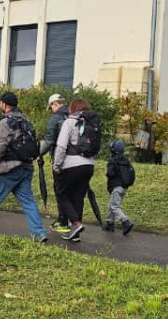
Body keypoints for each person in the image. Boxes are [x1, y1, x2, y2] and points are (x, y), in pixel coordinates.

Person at [0, 92, 48, 242]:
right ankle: (39, 233)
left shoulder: (5, 122)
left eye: (0, 103)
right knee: (28, 202)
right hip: (26, 167)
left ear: (5, 105)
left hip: (8, 168)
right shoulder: (26, 121)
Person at [53, 99, 96, 242]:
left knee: (62, 193)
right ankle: (75, 234)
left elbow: (61, 146)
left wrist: (57, 165)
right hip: (89, 165)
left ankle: (76, 224)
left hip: (71, 164)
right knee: (78, 197)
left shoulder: (69, 122)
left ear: (72, 108)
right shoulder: (91, 123)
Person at [40, 94, 70, 233]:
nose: (51, 109)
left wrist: (37, 153)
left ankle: (63, 221)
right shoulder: (73, 115)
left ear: (55, 104)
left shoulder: (56, 118)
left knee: (60, 190)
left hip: (61, 159)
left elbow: (49, 141)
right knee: (71, 192)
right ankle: (72, 221)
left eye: (51, 106)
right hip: (77, 160)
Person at [105, 139, 136, 235]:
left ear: (113, 150)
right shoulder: (126, 160)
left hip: (116, 187)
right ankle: (110, 223)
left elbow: (110, 173)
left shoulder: (112, 160)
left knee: (114, 206)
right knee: (111, 204)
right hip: (124, 187)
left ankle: (126, 222)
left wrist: (108, 174)